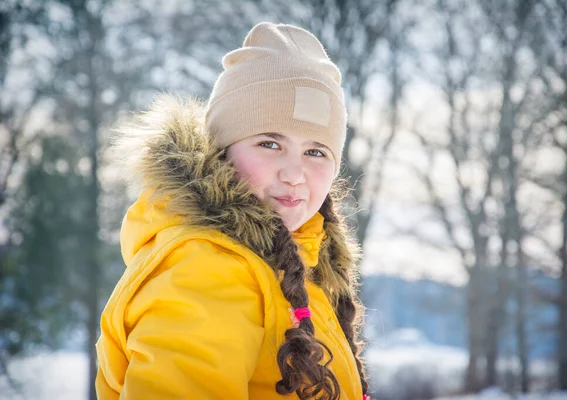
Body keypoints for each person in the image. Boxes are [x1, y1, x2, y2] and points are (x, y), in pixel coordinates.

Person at [96, 22, 370, 400]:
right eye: (270, 143)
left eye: (315, 152)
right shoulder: (207, 267)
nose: (294, 175)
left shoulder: (293, 264)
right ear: (221, 149)